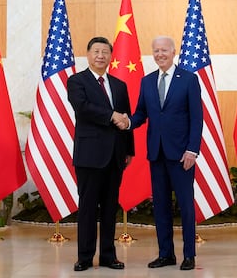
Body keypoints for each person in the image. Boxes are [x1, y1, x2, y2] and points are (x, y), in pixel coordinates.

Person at [116, 36, 203, 270]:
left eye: (164, 50)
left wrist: (192, 150)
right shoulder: (147, 81)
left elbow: (197, 119)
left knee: (185, 206)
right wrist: (127, 122)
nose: (160, 54)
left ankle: (188, 255)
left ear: (174, 52)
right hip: (157, 154)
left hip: (182, 155)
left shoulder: (189, 80)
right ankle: (166, 254)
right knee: (161, 206)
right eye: (156, 50)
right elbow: (141, 114)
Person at [67, 36, 134, 271]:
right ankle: (85, 257)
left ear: (110, 56)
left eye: (105, 52)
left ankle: (108, 256)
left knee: (109, 207)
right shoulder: (77, 81)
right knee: (87, 207)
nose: (100, 56)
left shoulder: (119, 85)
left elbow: (126, 118)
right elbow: (82, 108)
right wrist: (110, 116)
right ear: (88, 54)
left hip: (115, 155)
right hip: (89, 155)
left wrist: (129, 149)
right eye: (96, 51)